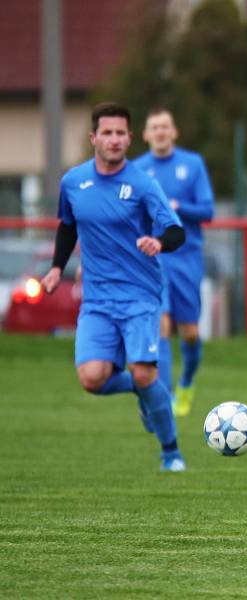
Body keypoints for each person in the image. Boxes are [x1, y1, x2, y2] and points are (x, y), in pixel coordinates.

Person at [41, 102, 187, 472]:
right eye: (107, 132)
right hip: (97, 300)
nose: (114, 139)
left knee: (143, 371)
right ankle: (146, 391)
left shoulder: (141, 183)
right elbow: (68, 226)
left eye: (121, 133)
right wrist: (57, 268)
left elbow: (175, 230)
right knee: (92, 378)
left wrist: (159, 243)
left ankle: (170, 452)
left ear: (130, 138)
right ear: (94, 137)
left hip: (140, 295)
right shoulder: (74, 182)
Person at [134, 108, 215, 417]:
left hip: (186, 255)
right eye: (154, 127)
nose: (160, 132)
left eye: (165, 126)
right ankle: (164, 399)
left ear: (174, 131)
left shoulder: (192, 165)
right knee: (161, 325)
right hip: (154, 258)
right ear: (145, 134)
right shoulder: (138, 170)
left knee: (190, 331)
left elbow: (208, 211)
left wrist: (178, 207)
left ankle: (187, 380)